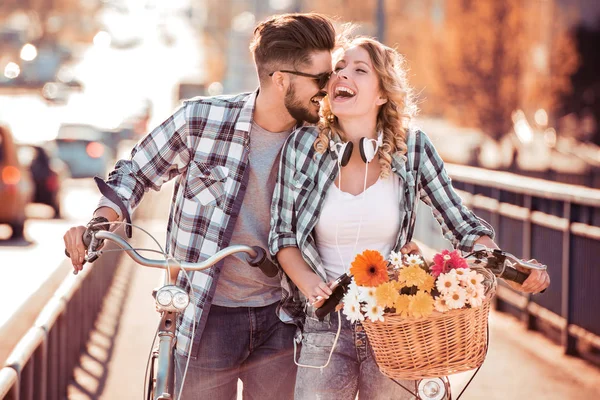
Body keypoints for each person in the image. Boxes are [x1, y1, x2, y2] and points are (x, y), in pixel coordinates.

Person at [63, 13, 338, 400]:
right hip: (207, 315)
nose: (327, 90)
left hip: (285, 316)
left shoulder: (323, 143)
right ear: (281, 79)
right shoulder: (202, 119)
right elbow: (135, 173)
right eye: (320, 79)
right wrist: (98, 223)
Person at [268, 36, 551, 399]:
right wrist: (311, 286)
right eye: (338, 69)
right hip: (326, 328)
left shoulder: (413, 147)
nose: (342, 76)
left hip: (397, 325)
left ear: (382, 94)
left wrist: (509, 266)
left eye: (359, 70)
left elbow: (461, 225)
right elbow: (282, 236)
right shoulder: (303, 145)